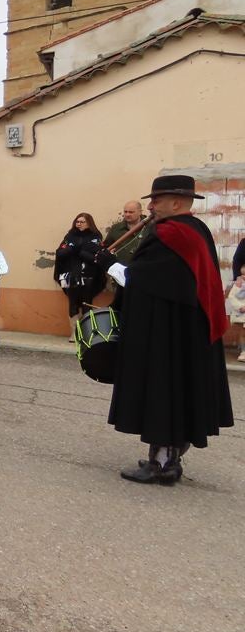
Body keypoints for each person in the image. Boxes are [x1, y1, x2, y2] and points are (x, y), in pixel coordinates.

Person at [83, 175, 234, 484]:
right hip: (186, 330)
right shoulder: (196, 230)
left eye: (156, 200)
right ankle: (169, 459)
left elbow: (142, 281)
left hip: (170, 335)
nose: (150, 206)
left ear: (176, 202)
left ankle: (161, 465)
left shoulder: (170, 235)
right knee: (177, 393)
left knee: (164, 392)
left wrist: (108, 263)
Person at [53, 212, 105, 340]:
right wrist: (74, 249)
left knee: (87, 303)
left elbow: (96, 256)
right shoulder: (70, 236)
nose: (79, 224)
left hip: (89, 275)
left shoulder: (95, 237)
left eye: (82, 222)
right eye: (77, 221)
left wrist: (80, 252)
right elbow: (60, 253)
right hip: (71, 275)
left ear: (89, 223)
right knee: (73, 303)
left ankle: (86, 332)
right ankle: (74, 333)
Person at [102, 200, 149, 265]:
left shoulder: (150, 227)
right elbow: (106, 246)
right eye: (125, 212)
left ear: (140, 212)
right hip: (119, 270)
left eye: (131, 212)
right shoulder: (116, 228)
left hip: (142, 269)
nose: (127, 214)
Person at [227, 262, 245, 363]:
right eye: (243, 275)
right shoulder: (238, 285)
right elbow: (231, 296)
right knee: (243, 333)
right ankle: (243, 351)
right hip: (242, 313)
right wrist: (240, 306)